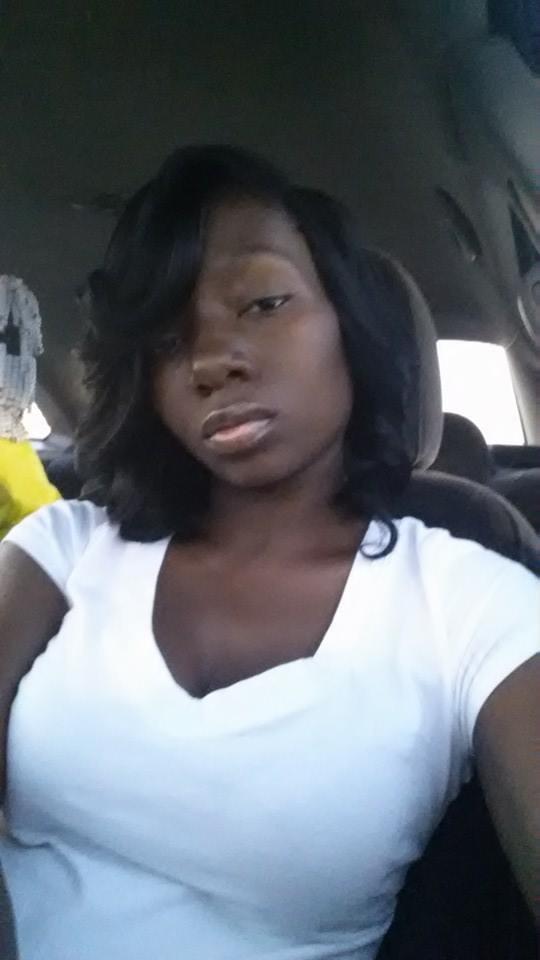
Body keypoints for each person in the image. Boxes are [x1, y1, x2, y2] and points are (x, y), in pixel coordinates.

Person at [0, 145, 537, 960]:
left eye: (262, 302)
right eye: (170, 339)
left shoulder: (473, 603)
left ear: (350, 324)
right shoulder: (64, 546)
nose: (210, 361)